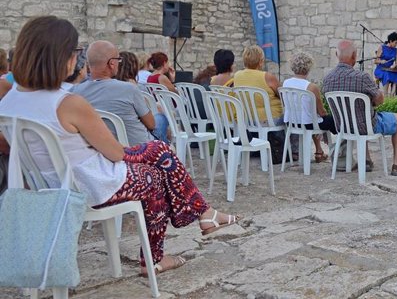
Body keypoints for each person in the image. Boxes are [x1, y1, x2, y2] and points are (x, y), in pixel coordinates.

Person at [0, 16, 241, 276]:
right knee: (156, 173)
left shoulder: (9, 100)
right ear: (63, 57)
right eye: (75, 52)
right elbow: (114, 153)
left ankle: (204, 213)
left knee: (159, 153)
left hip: (48, 184)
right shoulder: (68, 103)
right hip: (91, 186)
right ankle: (157, 255)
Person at [322, 40, 397, 175]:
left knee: (361, 114)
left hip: (343, 127)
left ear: (337, 55)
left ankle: (366, 160)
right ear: (354, 56)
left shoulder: (327, 79)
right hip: (365, 126)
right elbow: (380, 100)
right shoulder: (362, 77)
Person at [282, 51, 337, 163]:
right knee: (333, 120)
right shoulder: (311, 87)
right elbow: (322, 112)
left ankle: (319, 151)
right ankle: (340, 152)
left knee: (310, 117)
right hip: (307, 123)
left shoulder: (285, 83)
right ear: (308, 67)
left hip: (291, 121)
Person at [374, 32, 397, 96]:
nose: (396, 44)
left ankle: (392, 94)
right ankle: (385, 94)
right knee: (387, 74)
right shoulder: (382, 47)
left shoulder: (396, 50)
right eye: (395, 42)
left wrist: (394, 66)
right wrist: (381, 61)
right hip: (381, 69)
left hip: (390, 69)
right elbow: (375, 61)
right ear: (390, 41)